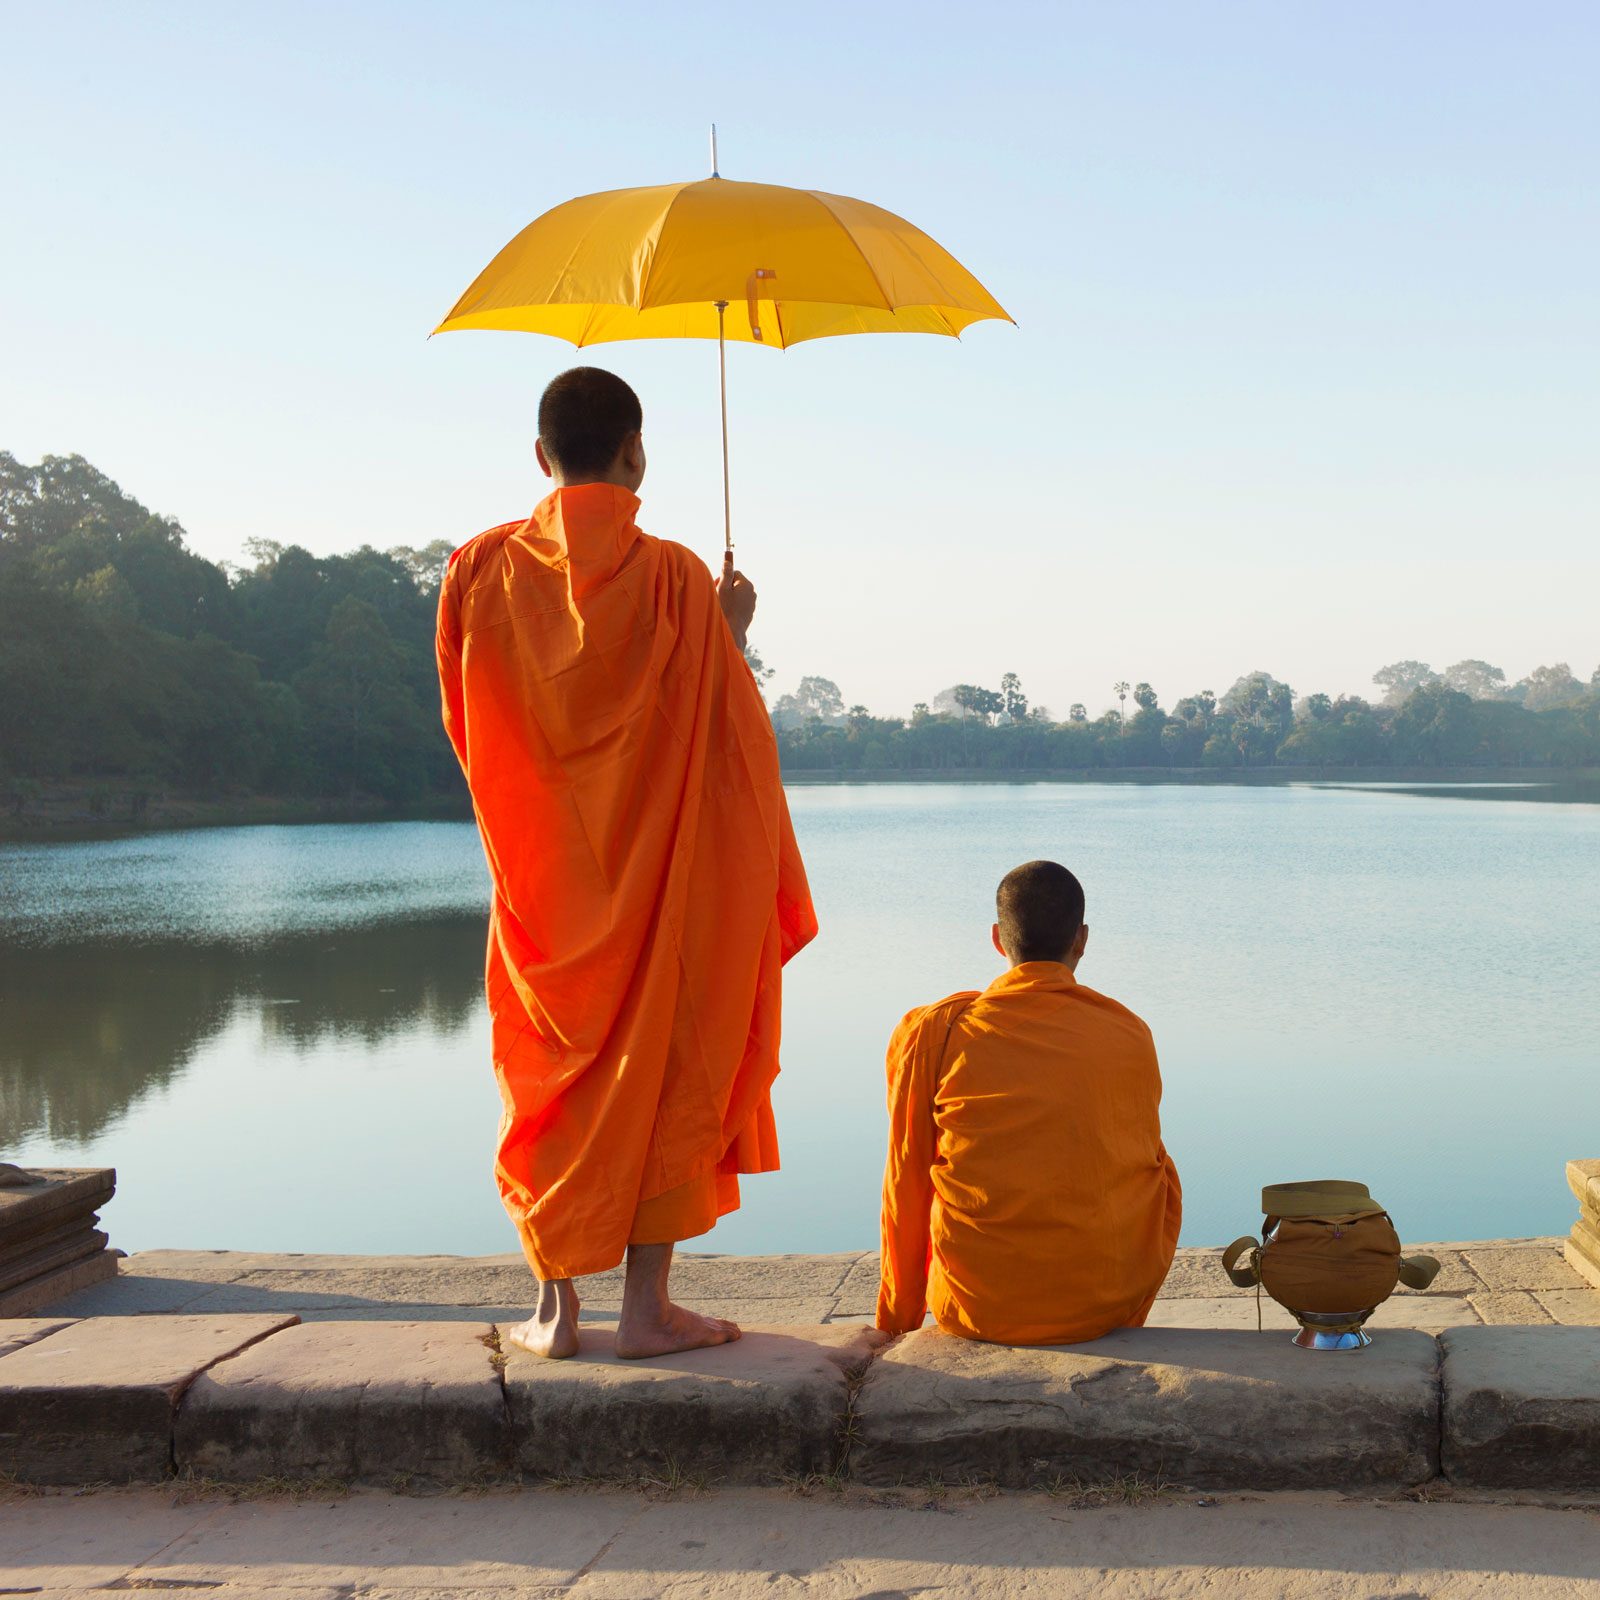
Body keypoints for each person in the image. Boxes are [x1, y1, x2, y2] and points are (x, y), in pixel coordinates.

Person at [436, 366, 816, 1360]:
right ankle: (645, 1310)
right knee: (666, 1059)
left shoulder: (476, 571)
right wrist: (730, 638)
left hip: (543, 882)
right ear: (637, 452)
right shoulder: (679, 581)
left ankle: (557, 1310)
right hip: (659, 882)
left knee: (546, 1069)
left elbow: (468, 727)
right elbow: (728, 747)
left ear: (539, 456)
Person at [876, 860, 1181, 1345]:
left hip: (977, 1307)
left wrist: (897, 1319)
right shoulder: (1128, 1031)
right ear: (1081, 939)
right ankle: (1106, 1282)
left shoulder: (939, 1031)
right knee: (1159, 1168)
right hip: (1105, 1303)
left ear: (998, 939)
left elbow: (906, 1178)